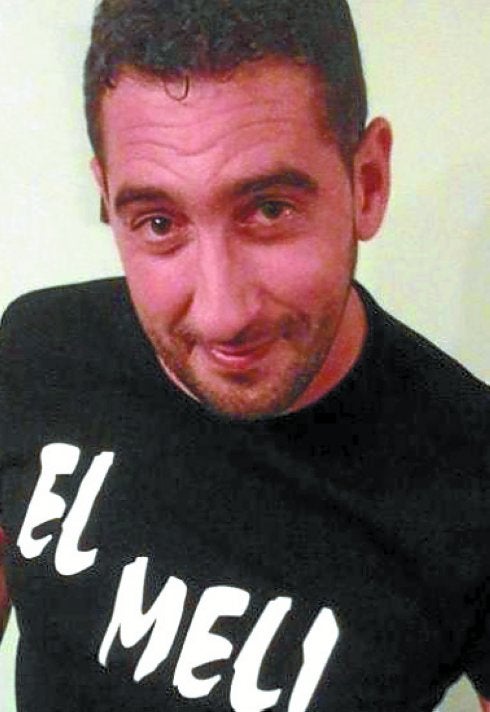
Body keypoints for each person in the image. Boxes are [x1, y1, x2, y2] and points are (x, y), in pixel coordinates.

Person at [0, 1, 489, 710]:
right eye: (159, 223)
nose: (222, 314)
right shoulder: (37, 349)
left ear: (368, 181)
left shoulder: (474, 472)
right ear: (107, 199)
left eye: (269, 209)